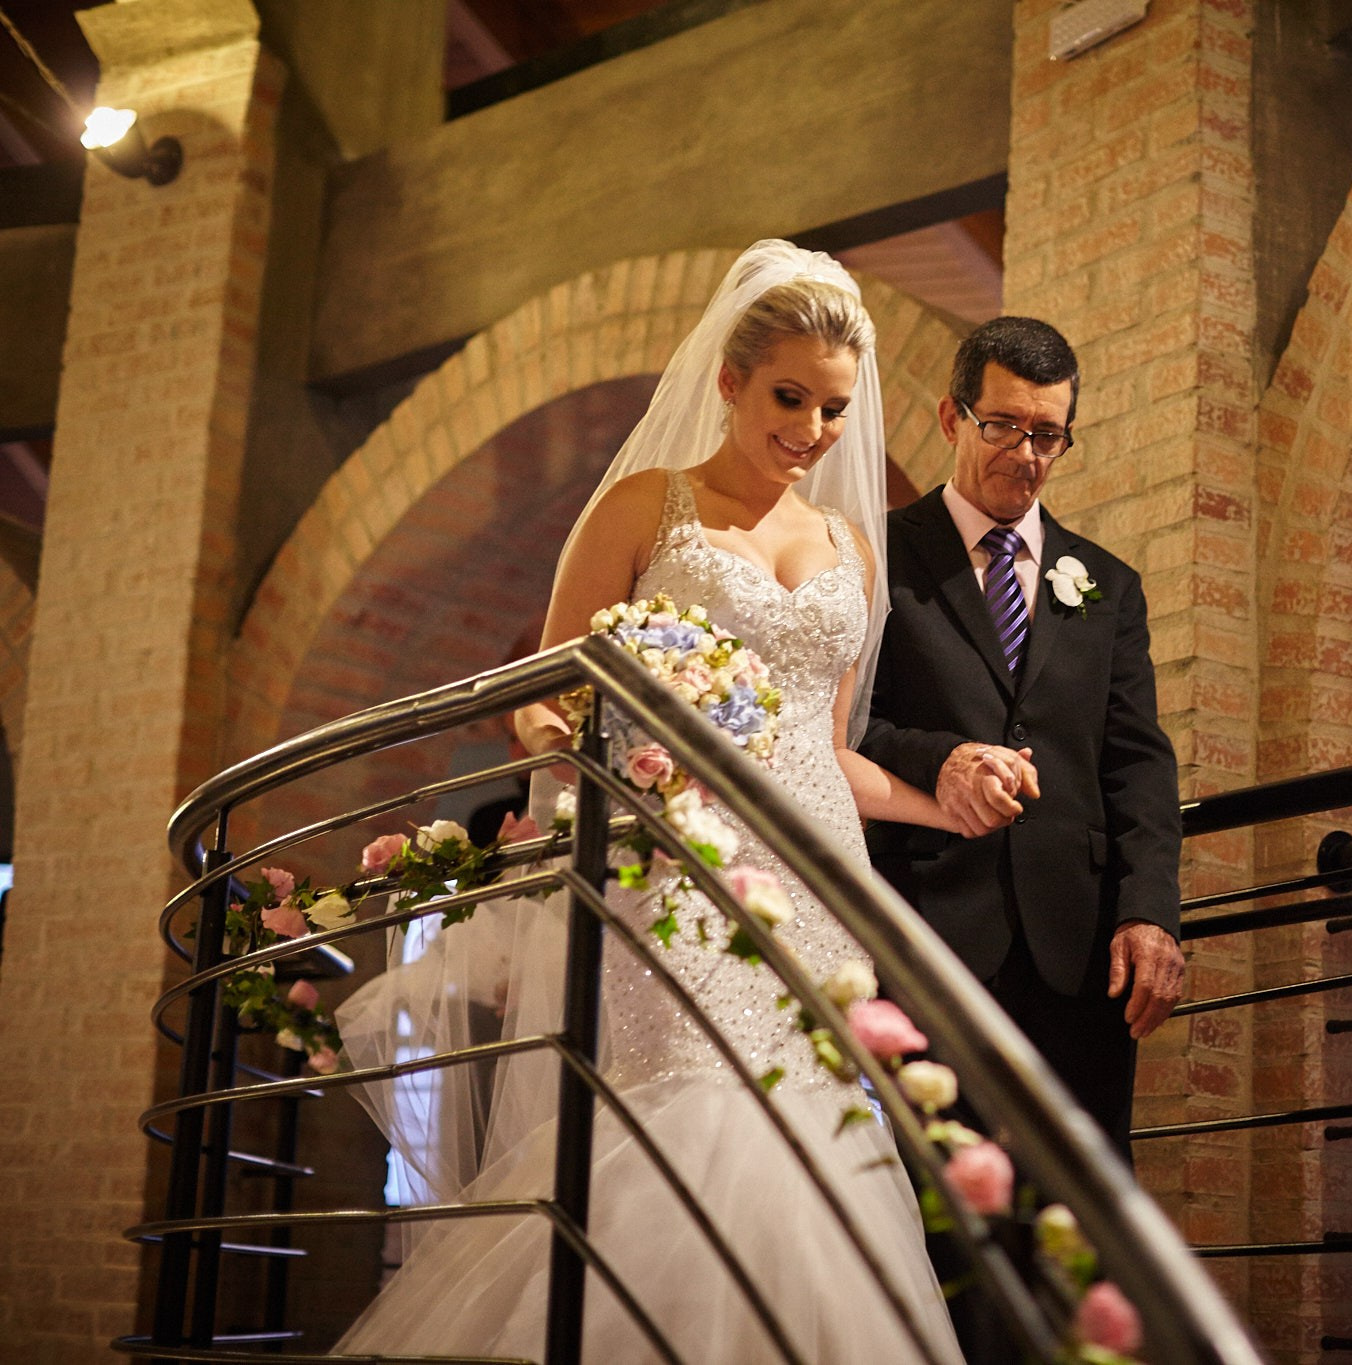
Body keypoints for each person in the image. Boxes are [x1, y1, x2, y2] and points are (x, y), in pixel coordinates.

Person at [333, 242, 966, 1363]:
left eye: (832, 408)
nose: (811, 431)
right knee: (688, 1109)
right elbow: (539, 706)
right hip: (671, 863)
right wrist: (612, 771)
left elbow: (829, 756)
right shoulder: (644, 507)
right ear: (727, 380)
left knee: (816, 1141)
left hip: (816, 883)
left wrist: (945, 800)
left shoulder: (850, 552)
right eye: (788, 397)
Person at [859, 317, 1185, 1157]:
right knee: (940, 1211)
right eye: (1001, 426)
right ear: (950, 418)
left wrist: (1149, 913)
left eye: (1048, 434)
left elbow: (1137, 762)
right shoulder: (876, 556)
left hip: (1079, 959)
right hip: (926, 933)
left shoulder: (1107, 585)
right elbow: (853, 727)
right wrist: (945, 761)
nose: (1026, 454)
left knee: (1077, 1223)